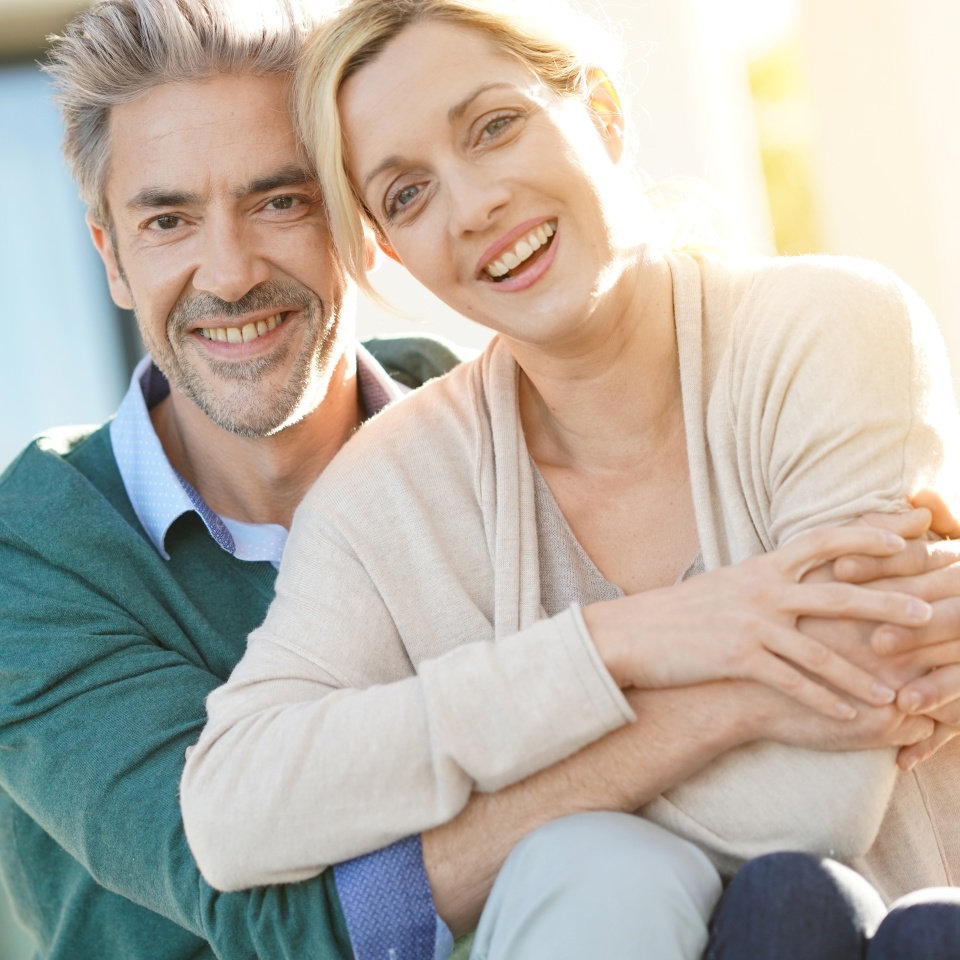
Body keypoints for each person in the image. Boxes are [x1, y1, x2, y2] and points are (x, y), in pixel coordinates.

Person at [0, 1, 956, 959]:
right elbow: (277, 914)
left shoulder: (460, 411)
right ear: (110, 259)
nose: (231, 269)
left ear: (352, 233)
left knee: (795, 905)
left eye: (279, 200)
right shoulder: (38, 554)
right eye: (167, 220)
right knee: (627, 868)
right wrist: (688, 670)